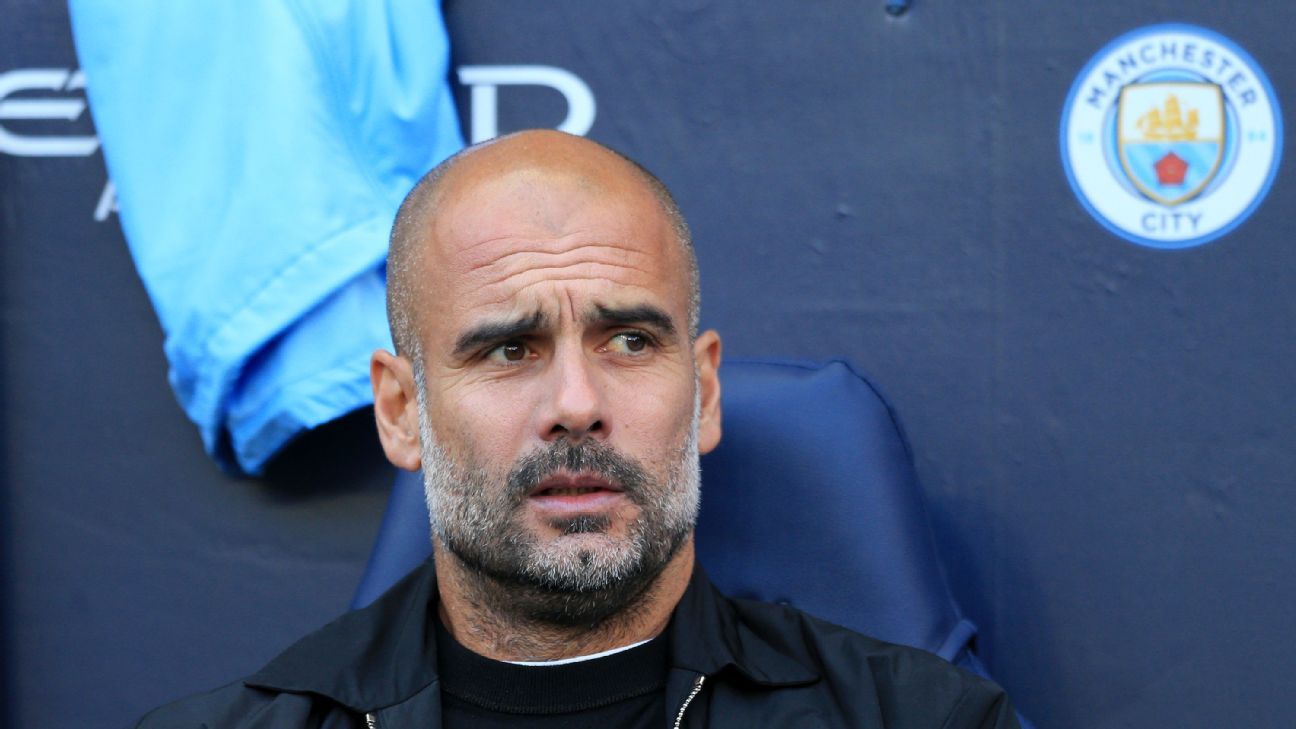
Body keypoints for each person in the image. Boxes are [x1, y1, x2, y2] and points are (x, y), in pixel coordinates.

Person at [138, 130, 1019, 728]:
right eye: (509, 348)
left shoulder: (924, 718)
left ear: (704, 394)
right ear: (402, 411)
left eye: (629, 340)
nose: (576, 400)